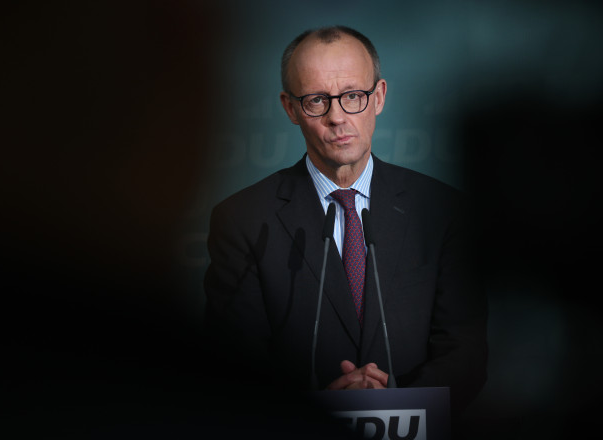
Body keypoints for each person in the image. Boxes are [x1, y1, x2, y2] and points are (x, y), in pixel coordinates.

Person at [204, 26, 487, 419]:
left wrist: (398, 404)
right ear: (290, 108)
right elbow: (235, 364)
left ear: (379, 97)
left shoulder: (443, 211)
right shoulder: (242, 220)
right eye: (317, 100)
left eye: (353, 96)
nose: (337, 117)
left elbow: (465, 351)